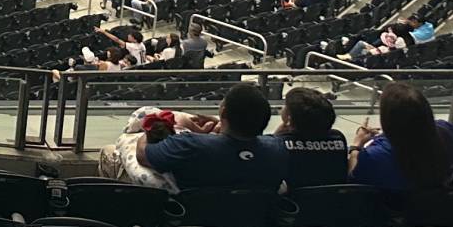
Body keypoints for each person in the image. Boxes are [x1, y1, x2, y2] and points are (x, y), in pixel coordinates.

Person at [134, 82, 285, 189]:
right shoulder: (278, 149)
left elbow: (142, 154)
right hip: (253, 225)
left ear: (224, 112)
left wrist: (149, 129)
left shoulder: (187, 144)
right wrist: (221, 124)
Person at [351, 81, 453, 192]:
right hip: (443, 214)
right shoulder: (446, 131)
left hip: (398, 218)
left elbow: (353, 178)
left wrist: (356, 145)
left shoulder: (374, 155)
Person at [276, 86, 350, 188]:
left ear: (289, 117)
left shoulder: (279, 145)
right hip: (333, 201)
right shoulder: (338, 137)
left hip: (292, 202)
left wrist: (280, 132)